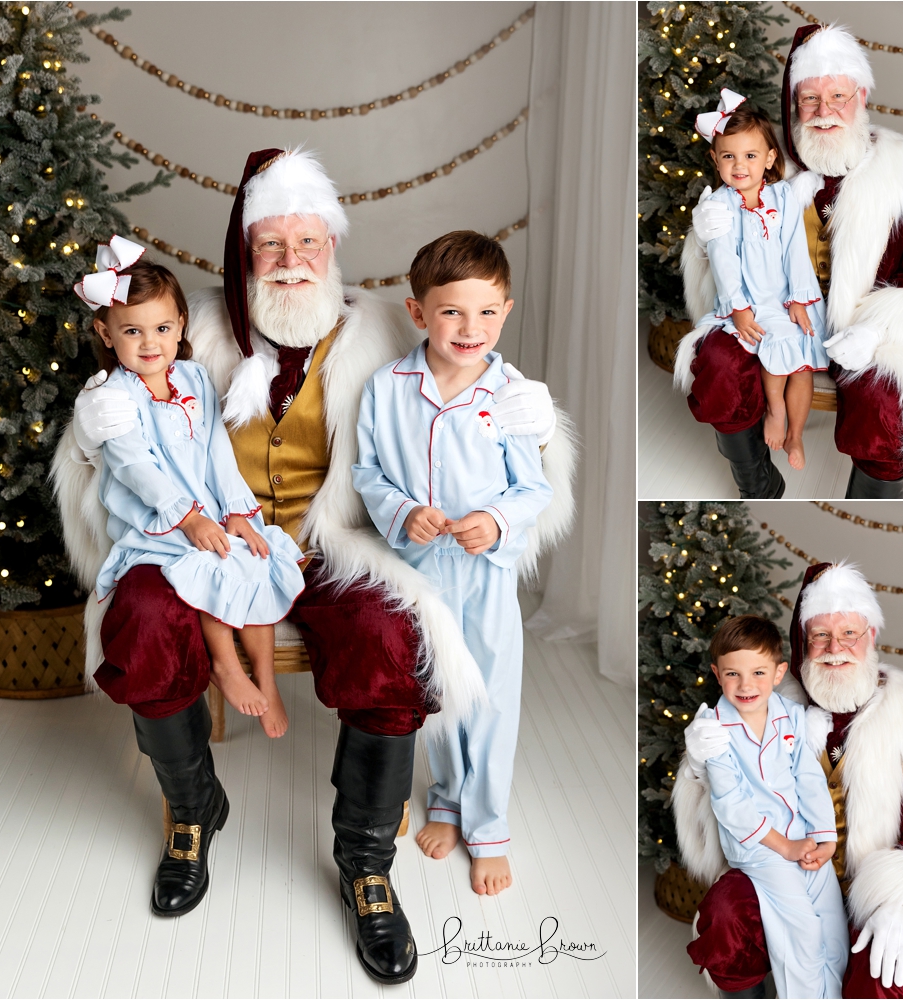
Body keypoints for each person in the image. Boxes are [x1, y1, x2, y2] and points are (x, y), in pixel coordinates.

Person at [51, 148, 576, 984]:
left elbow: (461, 411)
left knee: (386, 633)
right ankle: (192, 813)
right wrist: (93, 435)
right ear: (243, 254)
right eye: (270, 245)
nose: (292, 263)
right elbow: (119, 447)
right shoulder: (187, 335)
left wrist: (538, 426)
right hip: (197, 539)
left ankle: (366, 858)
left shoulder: (382, 340)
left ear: (334, 248)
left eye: (309, 242)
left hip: (332, 542)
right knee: (142, 621)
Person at [676, 24, 903, 498]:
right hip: (776, 311)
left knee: (887, 399)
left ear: (862, 95)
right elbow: (729, 254)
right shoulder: (766, 168)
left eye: (837, 95)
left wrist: (876, 330)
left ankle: (873, 502)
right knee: (720, 363)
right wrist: (704, 240)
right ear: (794, 104)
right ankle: (759, 484)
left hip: (863, 327)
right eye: (810, 99)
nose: (824, 111)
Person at [352, 232, 553, 897]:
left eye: (488, 313)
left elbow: (533, 489)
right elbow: (368, 472)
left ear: (507, 309)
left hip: (485, 574)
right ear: (418, 313)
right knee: (435, 689)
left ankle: (488, 827)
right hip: (419, 568)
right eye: (452, 313)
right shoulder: (387, 388)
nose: (472, 329)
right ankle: (445, 798)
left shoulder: (512, 395)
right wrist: (403, 510)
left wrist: (493, 523)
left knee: (491, 697)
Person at [673, 563, 903, 999]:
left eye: (849, 633)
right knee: (726, 914)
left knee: (888, 972)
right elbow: (729, 803)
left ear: (870, 637)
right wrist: (698, 765)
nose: (836, 648)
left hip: (874, 898)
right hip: (782, 865)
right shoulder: (769, 702)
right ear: (801, 644)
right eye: (821, 636)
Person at [81, 246, 304, 739]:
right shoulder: (113, 397)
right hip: (158, 520)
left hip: (211, 507)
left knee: (255, 556)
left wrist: (238, 512)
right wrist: (189, 519)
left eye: (161, 329)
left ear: (181, 325)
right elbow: (137, 468)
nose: (149, 344)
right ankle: (226, 666)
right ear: (106, 333)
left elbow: (216, 449)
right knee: (215, 563)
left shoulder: (194, 378)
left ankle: (266, 681)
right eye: (131, 331)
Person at [700, 615, 847, 999]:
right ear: (717, 674)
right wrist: (786, 848)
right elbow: (731, 805)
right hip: (761, 849)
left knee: (831, 925)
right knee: (801, 931)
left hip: (803, 837)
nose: (746, 685)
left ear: (779, 672)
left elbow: (810, 781)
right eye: (733, 674)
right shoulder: (714, 730)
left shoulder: (790, 716)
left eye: (758, 673)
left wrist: (823, 839)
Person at [691, 93, 828, 473]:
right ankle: (776, 409)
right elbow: (724, 262)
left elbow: (794, 250)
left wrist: (800, 299)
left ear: (769, 158)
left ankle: (796, 433)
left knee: (801, 364)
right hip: (751, 300)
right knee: (771, 348)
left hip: (787, 295)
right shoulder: (719, 207)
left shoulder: (783, 196)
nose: (739, 166)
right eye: (729, 156)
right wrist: (739, 308)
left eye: (750, 156)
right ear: (715, 160)